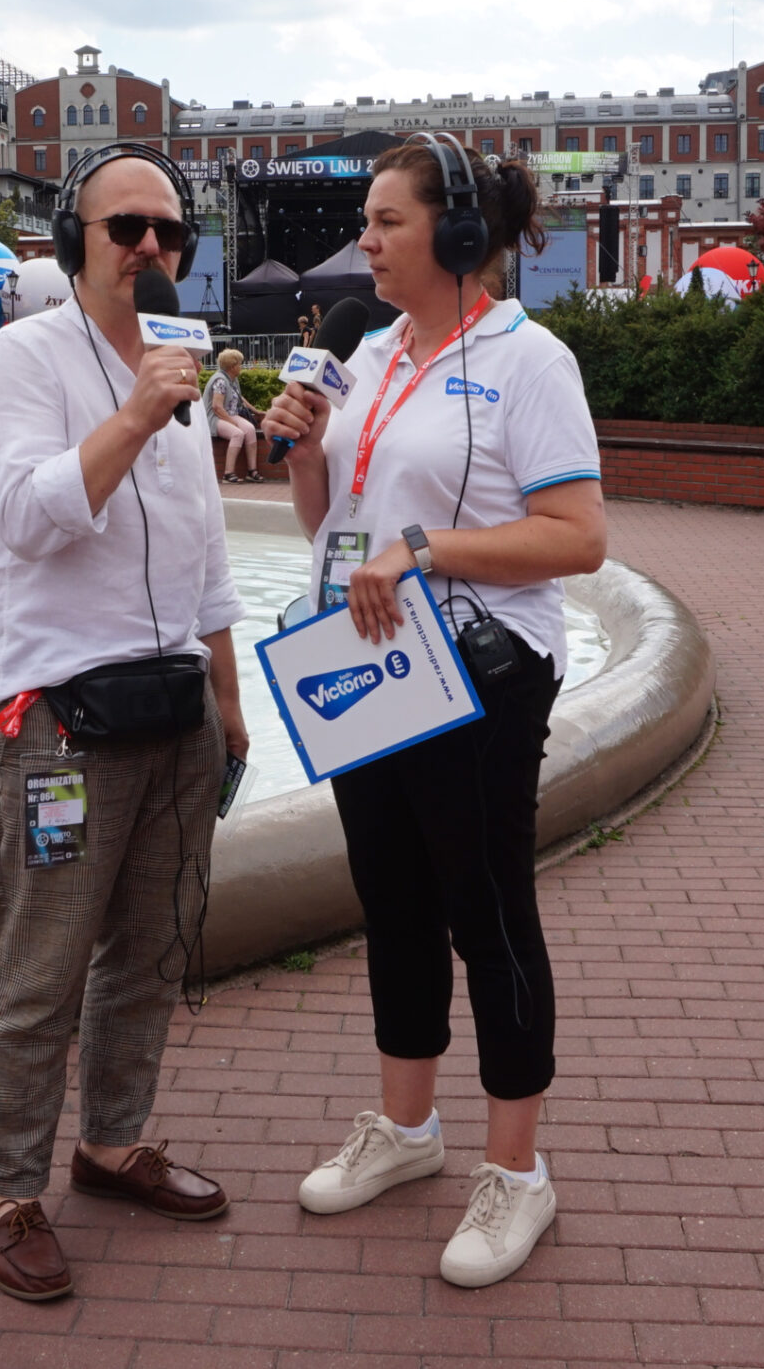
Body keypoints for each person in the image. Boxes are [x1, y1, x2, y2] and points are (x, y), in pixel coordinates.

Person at [259, 134, 606, 1289]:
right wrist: (305, 452)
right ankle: (407, 1129)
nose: (363, 240)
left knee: (486, 913)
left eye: (386, 221)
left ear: (457, 234)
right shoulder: (364, 349)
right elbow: (333, 524)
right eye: (365, 220)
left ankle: (516, 1171)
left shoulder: (528, 360)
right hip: (368, 659)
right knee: (393, 902)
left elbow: (578, 537)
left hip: (482, 672)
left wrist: (424, 547)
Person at [0, 142, 252, 1302]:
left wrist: (227, 698)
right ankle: (6, 1189)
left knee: (154, 944)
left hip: (175, 709)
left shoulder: (178, 361)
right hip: (56, 722)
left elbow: (205, 552)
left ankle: (113, 1141)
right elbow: (31, 519)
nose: (149, 247)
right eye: (125, 226)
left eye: (168, 230)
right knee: (41, 961)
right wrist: (133, 414)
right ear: (74, 239)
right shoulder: (20, 364)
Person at [205, 348, 261, 483]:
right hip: (215, 417)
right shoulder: (220, 381)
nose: (241, 366)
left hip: (229, 414)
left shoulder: (233, 379)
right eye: (240, 364)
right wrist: (233, 422)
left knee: (250, 429)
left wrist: (257, 411)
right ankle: (228, 474)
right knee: (237, 434)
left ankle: (252, 471)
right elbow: (217, 407)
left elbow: (240, 398)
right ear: (232, 366)